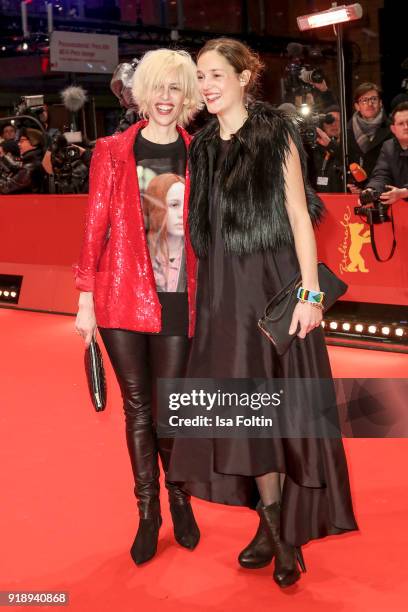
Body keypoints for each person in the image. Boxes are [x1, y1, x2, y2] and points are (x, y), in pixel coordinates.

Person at [167, 38, 358, 589]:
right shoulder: (201, 147)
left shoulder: (275, 133)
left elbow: (301, 217)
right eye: (199, 76)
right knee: (241, 414)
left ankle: (282, 536)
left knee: (277, 414)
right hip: (224, 298)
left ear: (245, 76)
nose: (205, 85)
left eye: (215, 75)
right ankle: (270, 524)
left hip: (273, 289)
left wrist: (311, 296)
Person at [74, 49, 202, 566]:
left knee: (170, 410)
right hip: (121, 294)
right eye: (158, 87)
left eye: (176, 88)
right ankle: (148, 510)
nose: (166, 98)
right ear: (143, 92)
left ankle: (180, 498)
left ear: (187, 95)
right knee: (138, 408)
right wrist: (85, 298)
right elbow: (94, 223)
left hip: (177, 297)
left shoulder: (202, 153)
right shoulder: (111, 150)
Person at [347, 82, 391, 192]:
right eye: (364, 100)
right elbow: (345, 160)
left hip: (384, 190)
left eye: (374, 99)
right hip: (356, 191)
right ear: (357, 106)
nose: (370, 103)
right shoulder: (348, 130)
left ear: (380, 103)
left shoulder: (392, 128)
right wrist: (352, 183)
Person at [362, 101, 408, 203]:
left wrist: (403, 192)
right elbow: (382, 175)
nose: (406, 127)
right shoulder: (388, 147)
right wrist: (371, 190)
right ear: (393, 129)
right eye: (401, 124)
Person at [307, 105, 343, 193]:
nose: (333, 124)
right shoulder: (315, 150)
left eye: (338, 120)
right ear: (323, 124)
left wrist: (330, 145)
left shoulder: (349, 147)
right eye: (329, 120)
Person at [0, 128, 45, 194]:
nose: (19, 144)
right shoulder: (33, 161)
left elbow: (5, 188)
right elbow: (15, 167)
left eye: (22, 141)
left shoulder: (30, 167)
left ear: (34, 142)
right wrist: (3, 158)